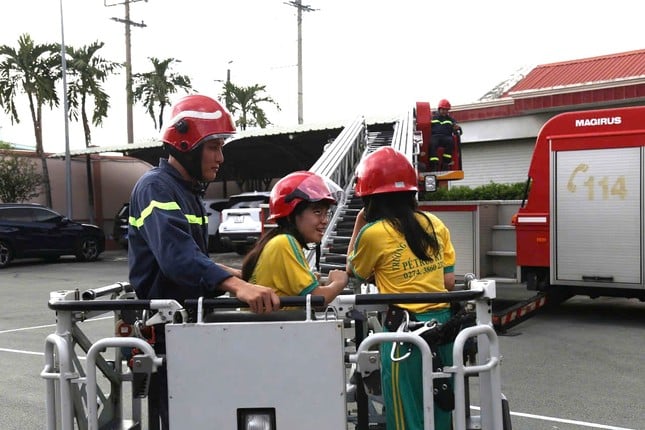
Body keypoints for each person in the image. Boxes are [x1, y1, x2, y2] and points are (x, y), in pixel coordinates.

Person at [128, 94, 280, 429]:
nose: (221, 157)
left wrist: (241, 276)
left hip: (188, 330)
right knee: (179, 418)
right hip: (167, 332)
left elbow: (195, 259)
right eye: (214, 147)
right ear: (187, 145)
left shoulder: (186, 190)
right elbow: (177, 259)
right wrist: (239, 285)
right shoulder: (156, 187)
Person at [346, 146, 456, 430]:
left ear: (369, 199)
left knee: (406, 415)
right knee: (442, 409)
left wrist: (360, 222)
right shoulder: (435, 224)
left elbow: (353, 270)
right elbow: (448, 283)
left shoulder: (372, 233)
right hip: (444, 331)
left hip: (403, 336)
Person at [241, 170, 349, 306]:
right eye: (317, 212)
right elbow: (317, 299)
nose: (325, 220)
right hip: (278, 326)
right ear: (291, 215)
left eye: (326, 213)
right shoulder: (284, 243)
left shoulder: (278, 240)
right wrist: (339, 282)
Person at [429, 98, 462, 171]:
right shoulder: (432, 117)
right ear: (439, 109)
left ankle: (445, 162)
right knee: (432, 143)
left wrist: (457, 128)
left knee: (451, 142)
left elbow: (456, 127)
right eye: (443, 109)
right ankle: (434, 163)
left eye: (446, 110)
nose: (445, 111)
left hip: (446, 137)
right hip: (435, 136)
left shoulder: (451, 119)